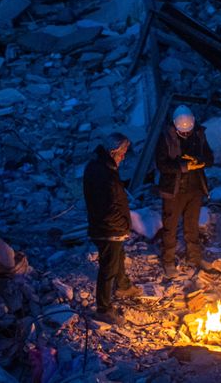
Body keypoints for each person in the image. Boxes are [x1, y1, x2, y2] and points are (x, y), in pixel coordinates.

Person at [83, 132, 141, 325]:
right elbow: (107, 207)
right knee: (108, 267)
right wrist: (121, 228)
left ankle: (123, 285)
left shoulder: (102, 166)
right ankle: (103, 308)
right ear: (113, 151)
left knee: (118, 258)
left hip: (109, 227)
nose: (124, 156)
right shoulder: (103, 174)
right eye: (122, 152)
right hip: (108, 230)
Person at [156, 105, 215, 277]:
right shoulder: (165, 138)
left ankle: (194, 258)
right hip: (174, 190)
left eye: (188, 131)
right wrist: (183, 166)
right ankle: (168, 261)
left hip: (195, 188)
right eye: (183, 133)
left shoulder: (198, 133)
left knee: (192, 226)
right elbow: (161, 165)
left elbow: (210, 157)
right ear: (175, 126)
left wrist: (200, 161)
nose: (186, 134)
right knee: (170, 227)